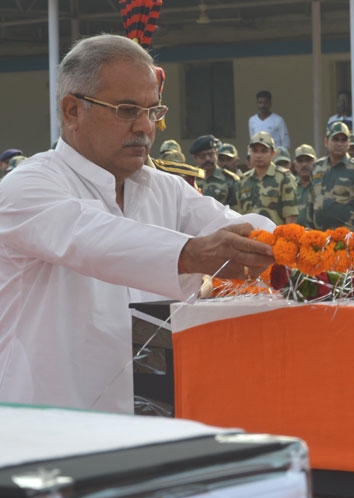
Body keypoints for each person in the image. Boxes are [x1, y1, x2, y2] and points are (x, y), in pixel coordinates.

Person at [0, 34, 274, 414]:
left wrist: (288, 246)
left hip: (151, 422)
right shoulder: (27, 187)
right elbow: (93, 239)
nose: (145, 126)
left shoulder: (164, 187)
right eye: (127, 110)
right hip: (45, 421)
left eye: (153, 111)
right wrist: (192, 253)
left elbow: (238, 225)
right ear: (72, 111)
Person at [301, 121, 354, 235]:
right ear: (326, 142)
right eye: (335, 139)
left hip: (347, 236)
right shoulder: (317, 167)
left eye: (343, 140)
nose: (339, 143)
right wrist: (310, 233)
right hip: (319, 236)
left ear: (348, 143)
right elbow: (311, 202)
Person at [236, 131, 299, 225]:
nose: (258, 155)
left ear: (273, 153)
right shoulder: (243, 180)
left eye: (264, 151)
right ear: (250, 152)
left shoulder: (284, 178)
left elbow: (291, 216)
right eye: (255, 151)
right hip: (249, 237)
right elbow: (240, 215)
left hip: (274, 237)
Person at [191, 134, 240, 207]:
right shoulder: (189, 179)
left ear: (216, 154)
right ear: (195, 158)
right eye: (202, 156)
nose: (207, 159)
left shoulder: (230, 180)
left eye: (211, 154)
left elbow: (235, 211)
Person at [292, 144, 317, 209]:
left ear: (315, 162)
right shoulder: (291, 186)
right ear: (295, 165)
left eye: (308, 160)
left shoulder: (321, 184)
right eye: (300, 161)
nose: (304, 164)